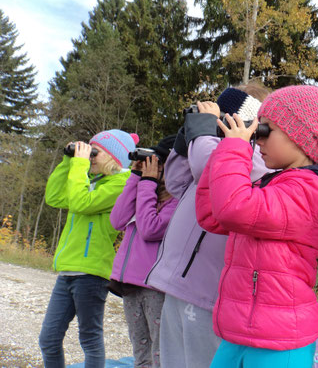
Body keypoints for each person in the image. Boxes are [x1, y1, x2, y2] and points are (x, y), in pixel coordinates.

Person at [195, 85, 318, 368]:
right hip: (242, 331)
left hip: (281, 338)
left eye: (265, 129)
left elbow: (234, 209)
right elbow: (211, 215)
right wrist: (225, 149)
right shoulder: (274, 183)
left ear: (298, 136)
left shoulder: (309, 190)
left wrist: (235, 149)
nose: (257, 140)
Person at [145, 84, 271, 368]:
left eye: (222, 120)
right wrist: (185, 138)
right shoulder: (213, 149)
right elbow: (177, 182)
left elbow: (210, 170)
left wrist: (203, 134)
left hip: (208, 290)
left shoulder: (258, 161)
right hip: (177, 280)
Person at [39, 129, 139, 368]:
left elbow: (81, 203)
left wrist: (79, 166)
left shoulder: (120, 185)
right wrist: (68, 161)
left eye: (95, 153)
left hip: (92, 273)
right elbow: (54, 197)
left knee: (89, 339)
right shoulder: (89, 182)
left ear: (114, 158)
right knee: (48, 339)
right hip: (68, 272)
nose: (90, 157)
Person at [108, 135, 178, 368]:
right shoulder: (146, 191)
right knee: (141, 353)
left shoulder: (177, 200)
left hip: (154, 287)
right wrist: (136, 177)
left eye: (157, 161)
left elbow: (150, 229)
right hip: (130, 283)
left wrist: (147, 183)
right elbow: (117, 220)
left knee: (159, 354)